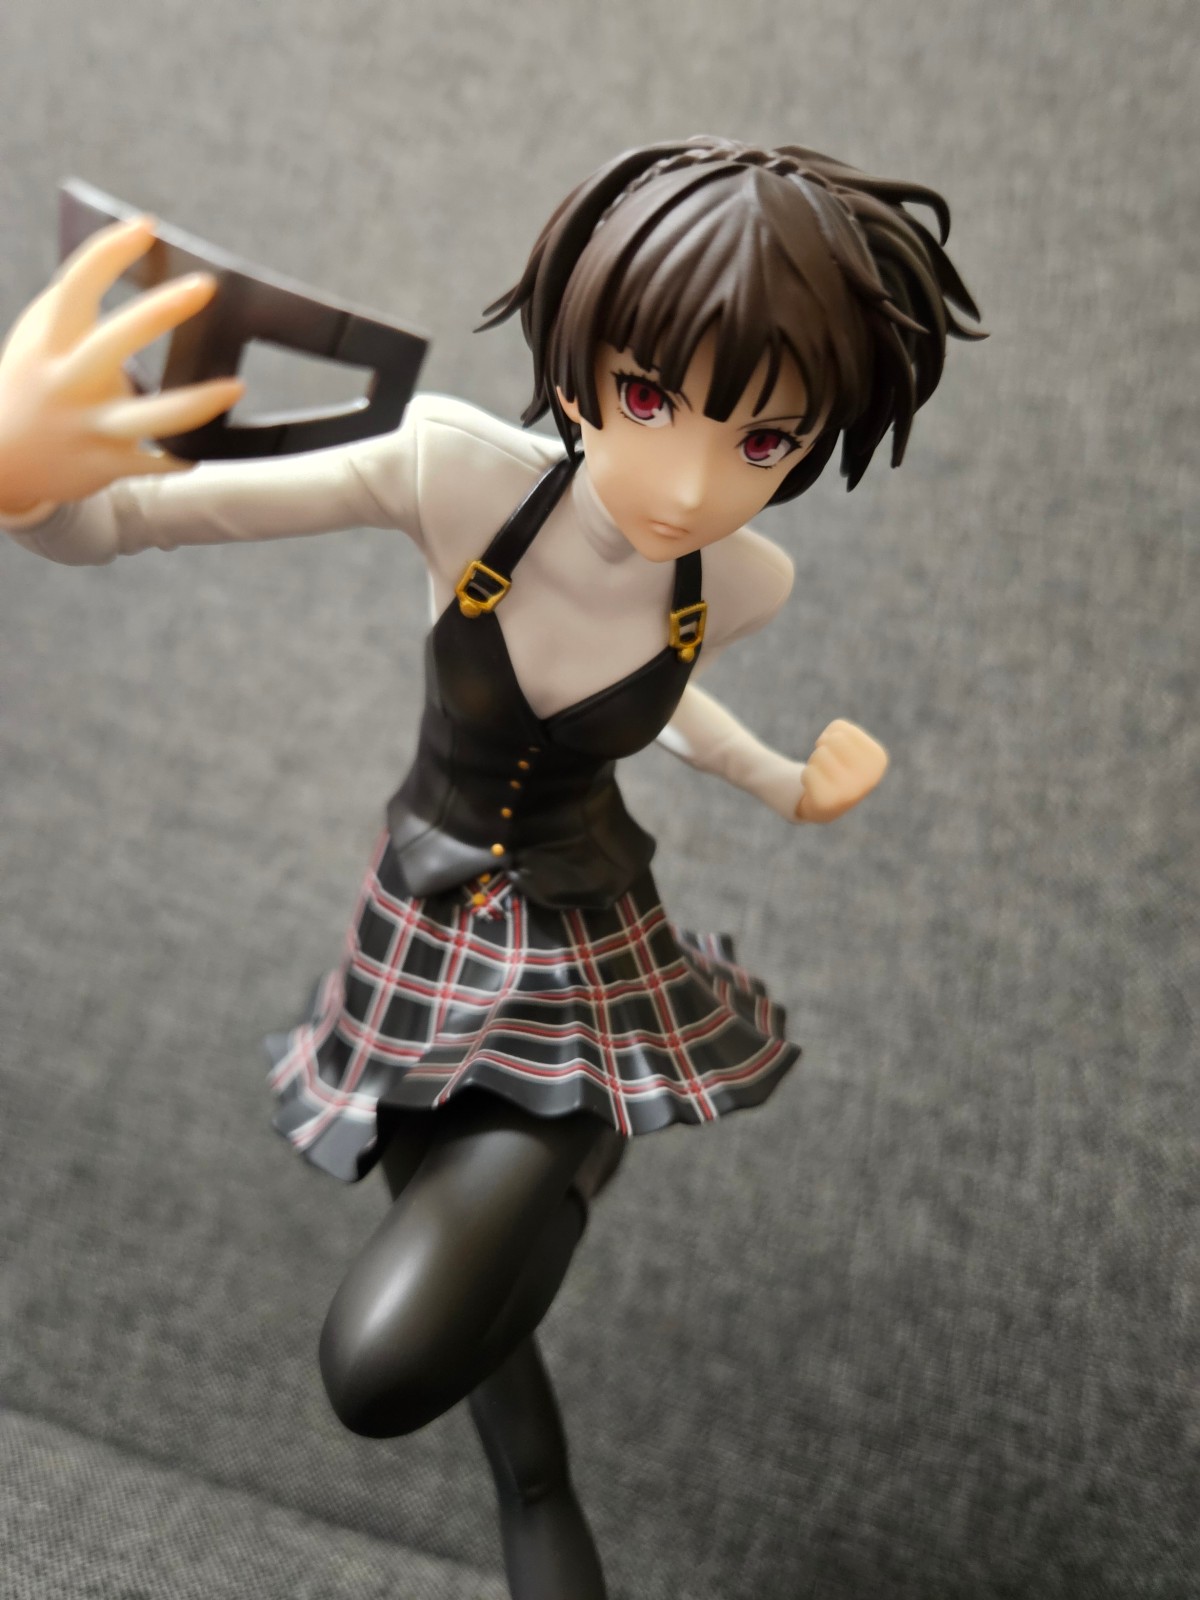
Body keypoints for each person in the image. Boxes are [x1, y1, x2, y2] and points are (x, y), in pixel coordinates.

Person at [0, 136, 983, 1599]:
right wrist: (32, 488)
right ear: (581, 363)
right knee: (461, 1327)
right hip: (416, 940)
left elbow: (665, 686)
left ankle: (578, 1147)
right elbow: (143, 518)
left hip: (587, 956)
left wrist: (782, 778)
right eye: (649, 399)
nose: (689, 483)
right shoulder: (457, 475)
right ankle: (540, 1484)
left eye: (764, 442)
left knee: (381, 1363)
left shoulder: (740, 580)